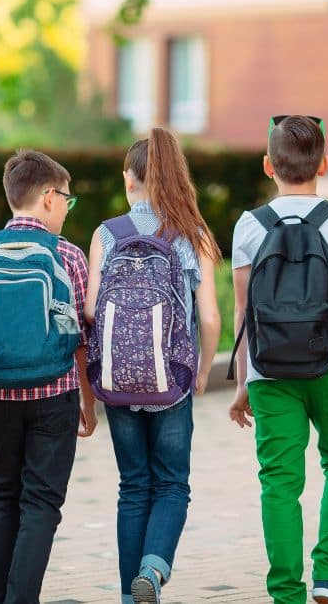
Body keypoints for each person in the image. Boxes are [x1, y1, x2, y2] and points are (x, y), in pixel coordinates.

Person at [228, 115, 328, 604]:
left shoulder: (248, 225)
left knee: (279, 479)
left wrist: (241, 384)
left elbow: (243, 312)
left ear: (267, 166)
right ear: (324, 163)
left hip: (268, 370)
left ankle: (286, 593)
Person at [84, 127, 222, 604]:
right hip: (172, 380)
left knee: (133, 487)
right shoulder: (192, 233)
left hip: (118, 380)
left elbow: (89, 310)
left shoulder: (106, 233)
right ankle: (154, 570)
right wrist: (203, 371)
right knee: (172, 484)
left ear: (129, 178)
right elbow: (208, 316)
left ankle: (130, 595)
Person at [0, 149, 97, 603]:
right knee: (41, 502)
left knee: (2, 494)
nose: (66, 211)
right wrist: (88, 403)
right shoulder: (69, 257)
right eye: (68, 202)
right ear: (51, 198)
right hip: (55, 395)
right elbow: (80, 339)